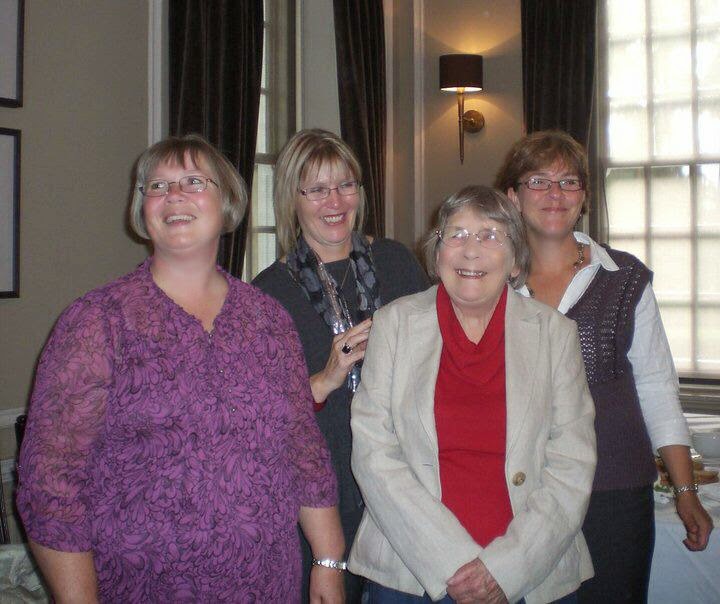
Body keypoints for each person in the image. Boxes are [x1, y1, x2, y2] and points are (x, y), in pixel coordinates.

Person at [16, 134, 345, 603]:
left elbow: (303, 448)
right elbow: (50, 485)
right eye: (157, 186)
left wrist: (328, 560)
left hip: (269, 584)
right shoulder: (98, 322)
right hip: (141, 588)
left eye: (193, 182)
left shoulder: (267, 318)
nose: (173, 195)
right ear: (142, 209)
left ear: (227, 201)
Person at [349, 185, 597, 604]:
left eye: (490, 235)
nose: (470, 251)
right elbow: (373, 453)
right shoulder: (393, 324)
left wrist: (506, 568)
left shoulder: (555, 334)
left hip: (530, 573)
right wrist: (450, 559)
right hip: (412, 571)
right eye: (457, 234)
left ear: (515, 259)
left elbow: (572, 464)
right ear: (437, 254)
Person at [495, 129, 714, 603]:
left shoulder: (625, 278)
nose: (555, 194)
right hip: (518, 488)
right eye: (538, 181)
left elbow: (656, 388)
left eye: (568, 182)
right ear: (512, 196)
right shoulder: (487, 282)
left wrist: (685, 491)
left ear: (584, 197)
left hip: (612, 489)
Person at [253, 128, 429, 602]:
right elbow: (264, 419)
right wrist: (326, 378)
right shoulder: (268, 293)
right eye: (317, 189)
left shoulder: (396, 262)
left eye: (346, 185)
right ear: (292, 198)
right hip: (322, 495)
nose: (335, 201)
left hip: (406, 481)